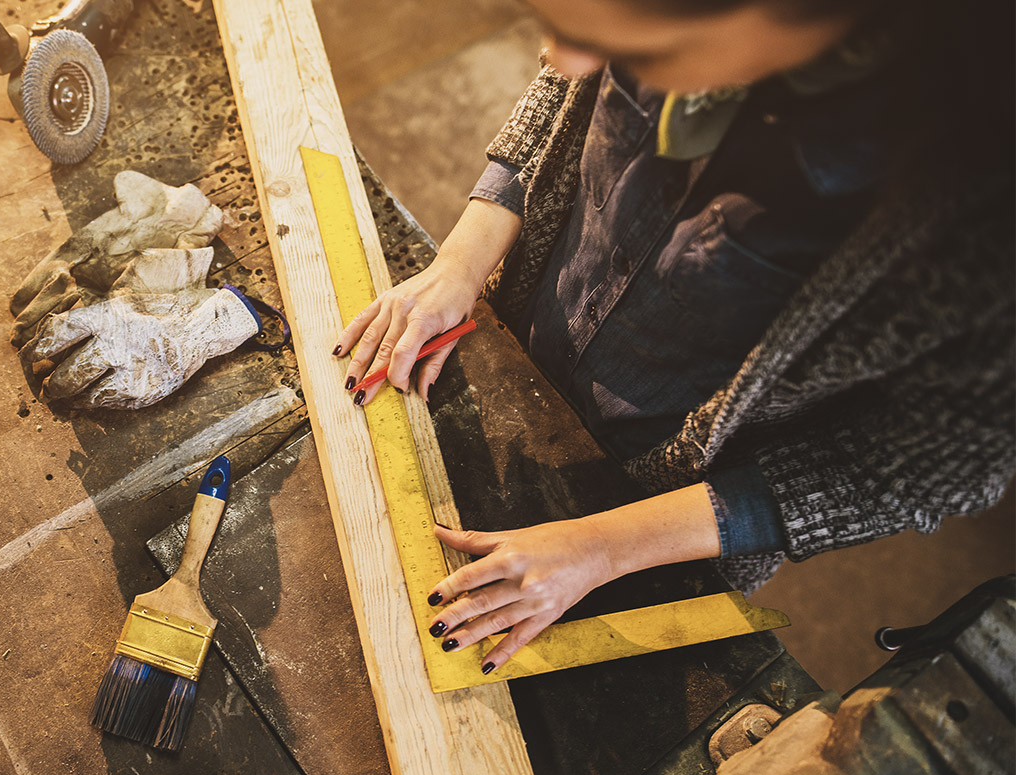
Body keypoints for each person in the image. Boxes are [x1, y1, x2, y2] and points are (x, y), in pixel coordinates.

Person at [335, 0, 1014, 675]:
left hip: (667, 511)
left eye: (649, 55)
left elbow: (916, 473)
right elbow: (565, 85)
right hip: (526, 348)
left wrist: (602, 549)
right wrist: (460, 262)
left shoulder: (979, 231)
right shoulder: (615, 39)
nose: (561, 59)